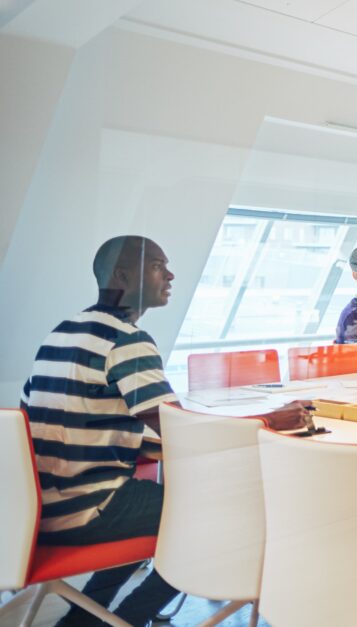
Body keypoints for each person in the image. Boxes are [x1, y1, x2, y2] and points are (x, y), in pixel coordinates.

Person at [21, 236, 306, 626]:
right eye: (157, 266)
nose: (170, 276)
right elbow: (182, 432)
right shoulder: (126, 339)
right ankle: (129, 618)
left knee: (157, 507)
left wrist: (126, 437)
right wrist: (271, 420)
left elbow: (47, 421)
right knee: (213, 513)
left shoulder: (60, 333)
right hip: (88, 509)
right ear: (122, 276)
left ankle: (85, 620)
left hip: (38, 510)